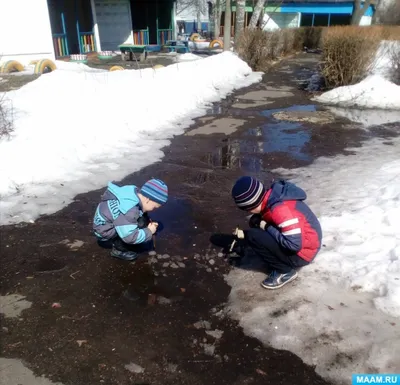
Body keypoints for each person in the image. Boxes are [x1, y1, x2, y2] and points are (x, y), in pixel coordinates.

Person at [231, 176, 322, 290]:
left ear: (250, 205)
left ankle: (284, 272)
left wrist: (266, 226)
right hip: (306, 242)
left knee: (254, 236)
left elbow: (293, 245)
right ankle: (271, 254)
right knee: (255, 222)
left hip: (303, 254)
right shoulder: (273, 197)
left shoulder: (279, 210)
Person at [93, 178, 168, 261]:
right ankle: (119, 250)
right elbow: (129, 237)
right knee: (134, 229)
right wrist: (149, 232)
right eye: (154, 207)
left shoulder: (133, 194)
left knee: (140, 220)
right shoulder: (129, 210)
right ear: (148, 199)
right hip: (105, 232)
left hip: (106, 223)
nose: (153, 210)